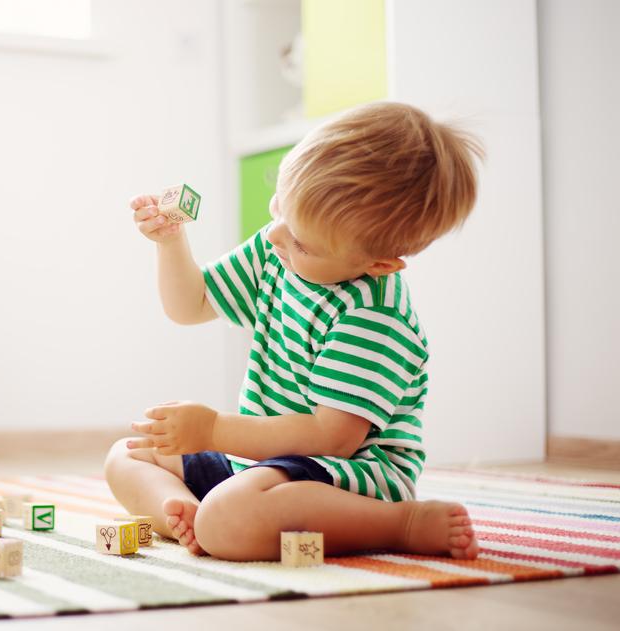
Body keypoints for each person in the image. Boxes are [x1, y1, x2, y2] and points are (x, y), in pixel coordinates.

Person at [105, 102, 484, 561]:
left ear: (379, 264)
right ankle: (187, 514)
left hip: (346, 477)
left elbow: (331, 438)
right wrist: (170, 243)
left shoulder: (374, 316)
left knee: (231, 517)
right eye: (280, 205)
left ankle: (401, 524)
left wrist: (214, 429)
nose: (276, 236)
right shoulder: (281, 248)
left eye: (301, 241)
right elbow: (193, 305)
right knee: (128, 454)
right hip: (261, 464)